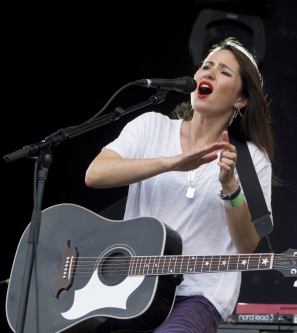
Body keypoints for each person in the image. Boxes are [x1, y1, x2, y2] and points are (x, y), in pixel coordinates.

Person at [84, 37, 276, 333]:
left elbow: (248, 245)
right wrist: (168, 162)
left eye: (225, 72)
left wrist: (230, 186)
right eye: (207, 66)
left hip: (199, 295)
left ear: (241, 99)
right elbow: (95, 174)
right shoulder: (151, 126)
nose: (209, 73)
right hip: (129, 288)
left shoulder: (251, 159)